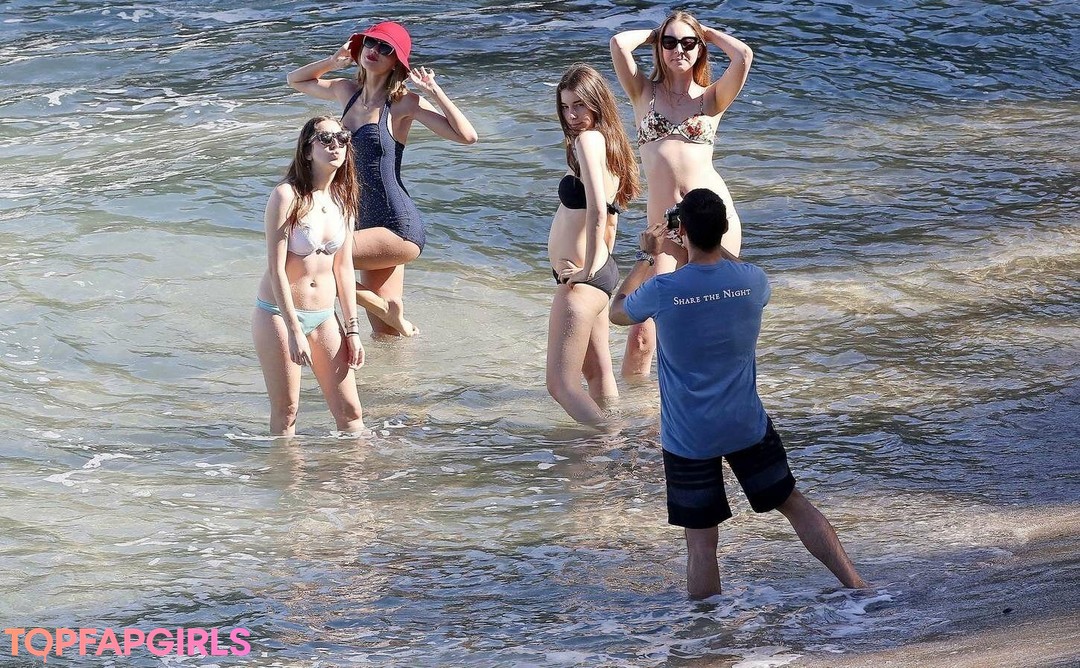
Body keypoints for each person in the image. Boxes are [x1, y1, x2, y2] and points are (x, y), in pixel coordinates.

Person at [609, 188, 867, 599]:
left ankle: (706, 628)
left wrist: (647, 256)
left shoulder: (664, 289)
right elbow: (735, 267)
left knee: (701, 543)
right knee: (794, 504)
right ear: (725, 229)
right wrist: (703, 241)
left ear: (682, 231)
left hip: (689, 435)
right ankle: (858, 586)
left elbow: (617, 311)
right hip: (745, 424)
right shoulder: (752, 281)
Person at [287, 21, 478, 337]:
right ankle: (393, 355)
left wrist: (434, 92)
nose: (375, 50)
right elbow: (295, 80)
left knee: (314, 259)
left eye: (385, 48)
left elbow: (467, 137)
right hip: (361, 222)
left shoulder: (403, 104)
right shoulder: (346, 92)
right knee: (387, 336)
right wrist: (332, 62)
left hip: (396, 226)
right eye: (371, 43)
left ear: (396, 62)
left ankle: (387, 311)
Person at [610, 11, 753, 377]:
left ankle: (708, 394)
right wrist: (657, 33)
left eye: (688, 43)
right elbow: (619, 43)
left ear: (699, 49)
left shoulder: (712, 98)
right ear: (659, 47)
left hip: (711, 222)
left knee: (709, 324)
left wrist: (706, 32)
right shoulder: (643, 93)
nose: (679, 50)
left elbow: (743, 55)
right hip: (666, 229)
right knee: (642, 334)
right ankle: (636, 409)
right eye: (670, 43)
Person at [252, 116, 366, 436]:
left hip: (324, 315)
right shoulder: (286, 196)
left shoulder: (344, 199)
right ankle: (286, 468)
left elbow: (343, 268)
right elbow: (276, 268)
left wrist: (353, 330)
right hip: (279, 315)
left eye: (342, 138)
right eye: (325, 139)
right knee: (287, 411)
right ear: (306, 150)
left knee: (350, 412)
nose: (335, 145)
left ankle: (358, 468)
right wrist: (293, 330)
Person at [546, 63, 641, 426]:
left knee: (561, 385)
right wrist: (599, 267)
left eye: (579, 105)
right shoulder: (609, 143)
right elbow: (612, 219)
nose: (571, 115)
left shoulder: (588, 140)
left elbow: (599, 210)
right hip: (596, 274)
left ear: (597, 102)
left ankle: (610, 437)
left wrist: (585, 272)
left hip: (583, 279)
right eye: (565, 107)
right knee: (597, 376)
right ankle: (615, 452)